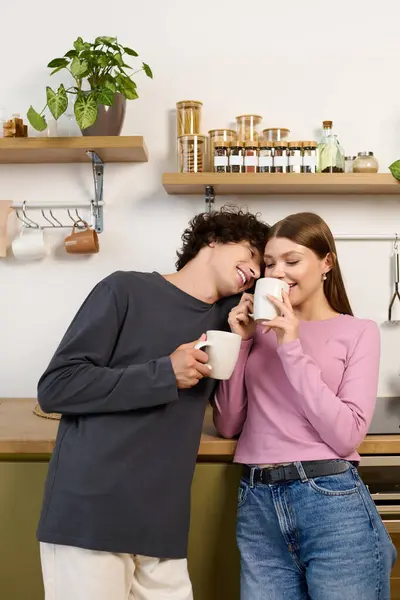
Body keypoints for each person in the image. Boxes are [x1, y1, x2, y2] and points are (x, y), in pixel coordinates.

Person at [36, 206, 269, 600]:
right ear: (213, 239)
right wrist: (165, 373)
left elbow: (230, 418)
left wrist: (244, 339)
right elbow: (57, 386)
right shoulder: (125, 289)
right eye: (250, 253)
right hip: (92, 516)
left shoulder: (227, 322)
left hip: (162, 528)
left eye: (262, 268)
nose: (256, 271)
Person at [213, 212, 397, 600]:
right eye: (269, 263)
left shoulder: (357, 331)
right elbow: (229, 423)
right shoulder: (259, 333)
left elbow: (346, 435)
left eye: (292, 261)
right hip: (258, 504)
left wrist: (291, 344)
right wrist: (242, 342)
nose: (278, 272)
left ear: (326, 263)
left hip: (330, 502)